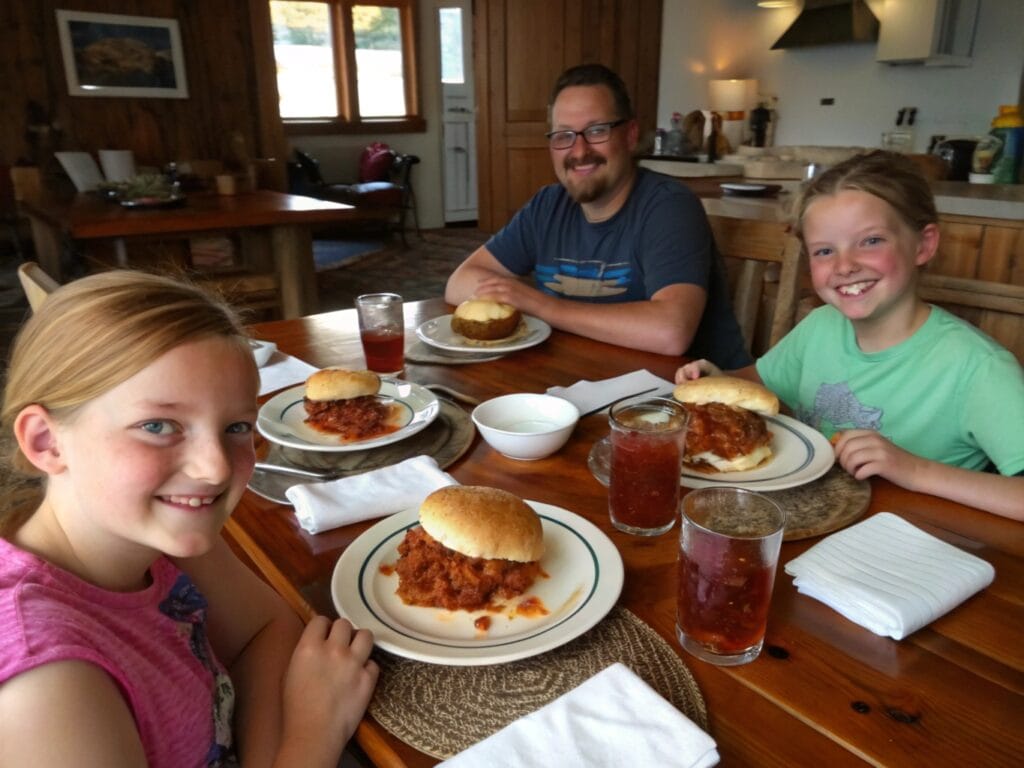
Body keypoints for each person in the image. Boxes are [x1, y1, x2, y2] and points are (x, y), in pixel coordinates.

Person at [0, 271, 378, 767]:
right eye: (158, 426)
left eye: (236, 426)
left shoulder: (155, 532)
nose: (214, 468)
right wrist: (313, 733)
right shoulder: (46, 690)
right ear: (47, 442)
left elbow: (265, 629)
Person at [676, 150, 1024, 520]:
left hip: (907, 546)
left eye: (871, 241)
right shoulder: (821, 326)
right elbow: (756, 388)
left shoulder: (980, 369)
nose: (844, 266)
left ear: (923, 244)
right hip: (805, 519)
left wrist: (914, 470)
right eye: (825, 250)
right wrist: (716, 382)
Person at [445, 63, 750, 368]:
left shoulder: (669, 207)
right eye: (564, 135)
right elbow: (459, 283)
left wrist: (541, 305)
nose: (579, 150)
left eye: (596, 131)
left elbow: (671, 332)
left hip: (692, 399)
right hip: (587, 381)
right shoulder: (547, 206)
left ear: (630, 135)